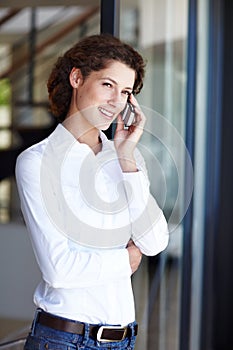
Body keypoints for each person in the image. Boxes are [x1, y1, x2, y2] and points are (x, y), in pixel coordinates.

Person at [15, 34, 169, 350]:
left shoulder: (128, 158)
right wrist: (125, 258)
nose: (116, 101)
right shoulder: (37, 163)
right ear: (77, 78)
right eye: (107, 85)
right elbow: (59, 270)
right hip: (64, 340)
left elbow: (154, 242)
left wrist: (126, 157)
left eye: (125, 91)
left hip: (124, 340)